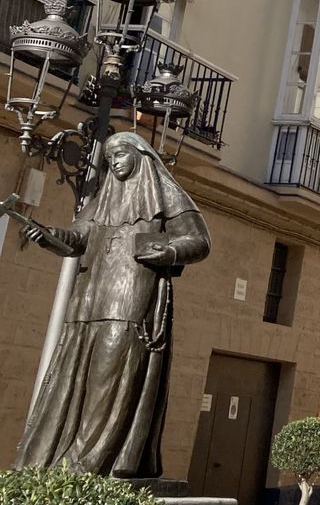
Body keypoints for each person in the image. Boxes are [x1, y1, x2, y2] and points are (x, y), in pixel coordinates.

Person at [13, 132, 211, 477]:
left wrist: (169, 251)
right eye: (109, 159)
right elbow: (76, 238)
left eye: (120, 155)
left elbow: (199, 241)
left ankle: (94, 461)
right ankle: (55, 459)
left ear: (139, 155)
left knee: (112, 374)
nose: (115, 163)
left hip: (132, 300)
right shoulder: (102, 200)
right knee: (73, 376)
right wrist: (46, 236)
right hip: (89, 299)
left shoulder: (165, 194)